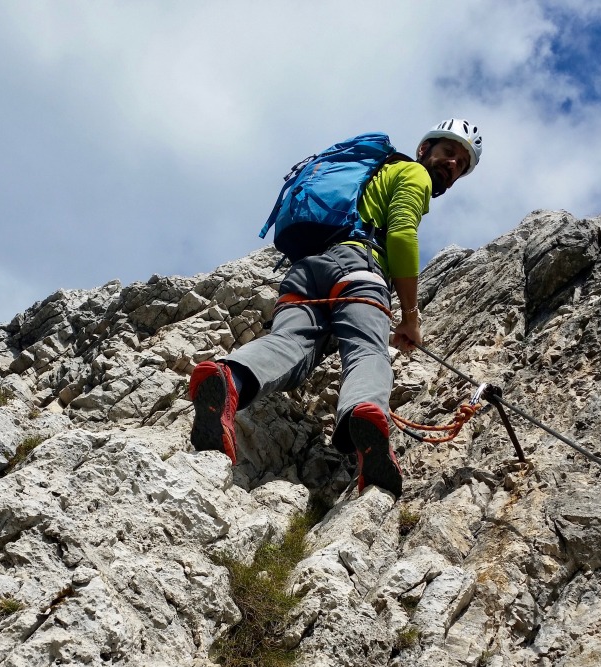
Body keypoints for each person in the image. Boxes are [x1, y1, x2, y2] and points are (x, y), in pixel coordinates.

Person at [189, 119, 482, 499]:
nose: (453, 165)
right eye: (448, 153)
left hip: (307, 271)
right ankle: (364, 412)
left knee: (291, 344)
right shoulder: (412, 172)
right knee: (366, 351)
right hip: (359, 269)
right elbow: (402, 234)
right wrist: (411, 317)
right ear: (424, 149)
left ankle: (229, 379)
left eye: (461, 163)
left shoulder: (372, 175)